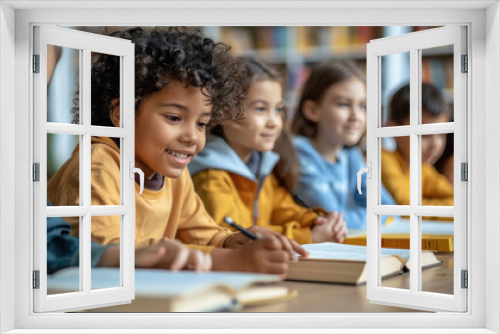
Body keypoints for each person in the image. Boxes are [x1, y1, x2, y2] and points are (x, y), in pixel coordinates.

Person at [48, 27, 301, 276]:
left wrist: (234, 241)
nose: (192, 136)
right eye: (174, 117)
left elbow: (204, 234)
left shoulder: (171, 172)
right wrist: (226, 260)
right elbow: (107, 253)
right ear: (121, 114)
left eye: (202, 123)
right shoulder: (98, 165)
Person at [189, 56, 348, 245]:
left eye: (278, 110)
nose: (273, 122)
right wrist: (307, 237)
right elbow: (232, 235)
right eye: (261, 109)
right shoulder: (211, 175)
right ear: (224, 113)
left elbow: (283, 208)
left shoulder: (259, 163)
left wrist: (317, 221)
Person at [291, 61, 396, 230]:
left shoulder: (350, 155)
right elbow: (334, 219)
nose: (356, 116)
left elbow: (389, 209)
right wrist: (373, 217)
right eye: (344, 104)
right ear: (312, 110)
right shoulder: (299, 155)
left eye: (362, 106)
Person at [381, 83, 453, 207]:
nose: (436, 144)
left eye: (442, 134)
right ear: (393, 129)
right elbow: (405, 205)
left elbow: (454, 194)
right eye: (423, 135)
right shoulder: (384, 159)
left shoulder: (422, 168)